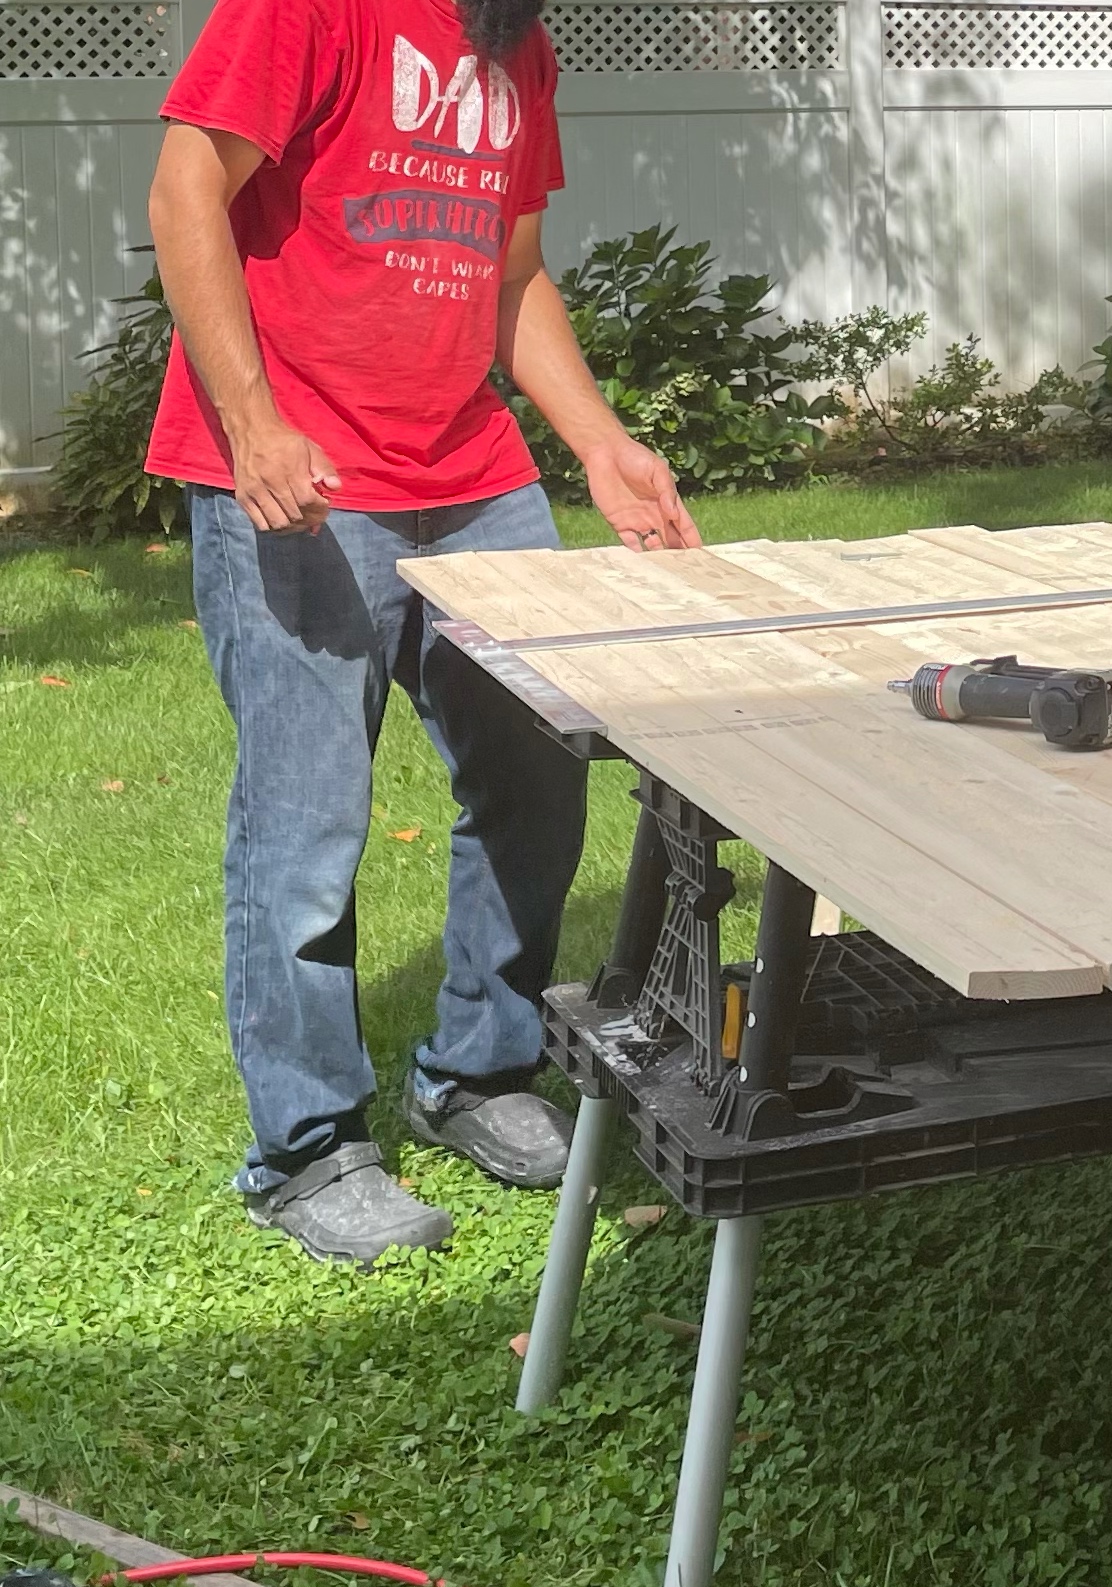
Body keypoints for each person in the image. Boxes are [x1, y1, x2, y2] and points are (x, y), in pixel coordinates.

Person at [145, 0, 699, 1263]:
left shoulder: (520, 41)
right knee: (307, 821)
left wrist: (600, 444)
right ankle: (306, 1148)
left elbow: (510, 275)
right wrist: (250, 421)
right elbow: (186, 193)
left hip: (474, 475)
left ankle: (479, 1072)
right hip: (300, 472)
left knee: (536, 779)